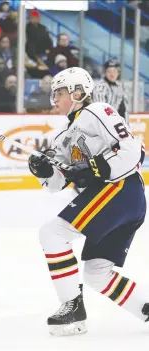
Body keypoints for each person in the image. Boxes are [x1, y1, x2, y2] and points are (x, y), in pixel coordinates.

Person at [28, 67, 147, 337]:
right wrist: (45, 171)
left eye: (59, 93)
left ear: (78, 92)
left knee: (53, 234)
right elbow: (57, 184)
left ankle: (71, 306)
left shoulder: (97, 112)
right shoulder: (62, 137)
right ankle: (145, 308)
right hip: (118, 199)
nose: (54, 99)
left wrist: (93, 169)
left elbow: (133, 150)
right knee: (97, 273)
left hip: (120, 189)